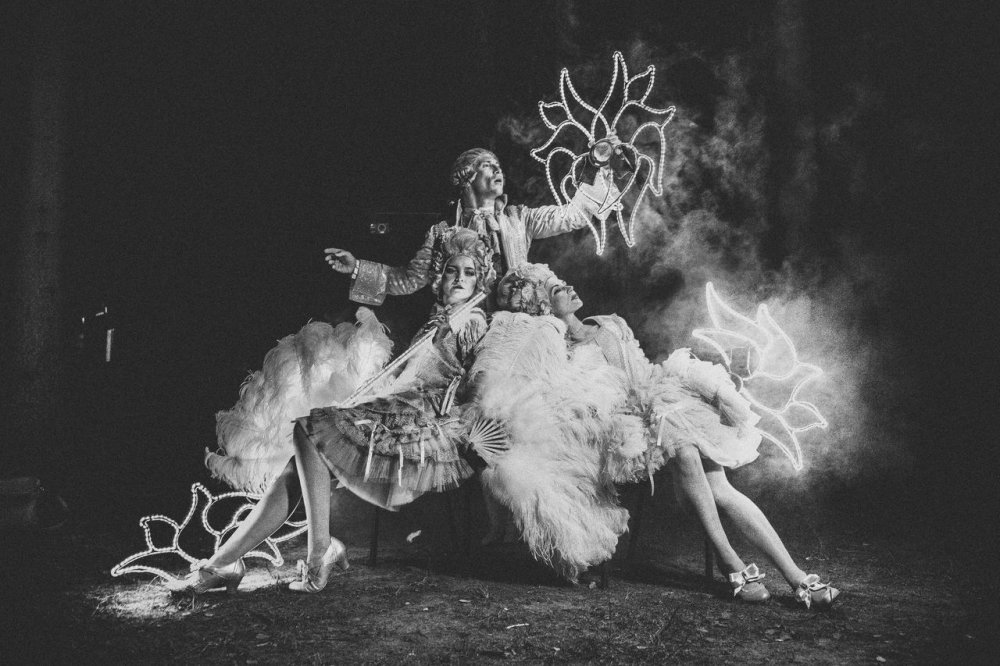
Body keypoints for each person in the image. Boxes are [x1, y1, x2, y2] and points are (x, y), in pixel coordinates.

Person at [493, 263, 840, 609]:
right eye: (558, 290)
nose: (570, 288)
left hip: (662, 398)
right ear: (544, 307)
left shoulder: (609, 322)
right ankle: (731, 561)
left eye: (566, 283)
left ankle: (793, 575)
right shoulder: (559, 349)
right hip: (624, 424)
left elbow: (641, 368)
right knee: (684, 451)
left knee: (719, 486)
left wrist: (660, 397)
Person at [169, 228, 495, 595]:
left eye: (469, 273)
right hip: (391, 405)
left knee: (308, 430)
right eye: (452, 270)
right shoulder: (437, 318)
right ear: (439, 276)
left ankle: (318, 552)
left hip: (418, 420)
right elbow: (404, 281)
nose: (460, 279)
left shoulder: (472, 322)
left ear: (480, 280)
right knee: (295, 466)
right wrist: (357, 269)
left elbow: (479, 379)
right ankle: (225, 562)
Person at [324, 148, 617, 307]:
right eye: (488, 165)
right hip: (463, 329)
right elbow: (409, 280)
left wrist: (594, 164)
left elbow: (572, 216)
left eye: (498, 165)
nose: (498, 169)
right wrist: (357, 268)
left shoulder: (520, 218)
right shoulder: (442, 232)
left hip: (517, 325)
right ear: (466, 178)